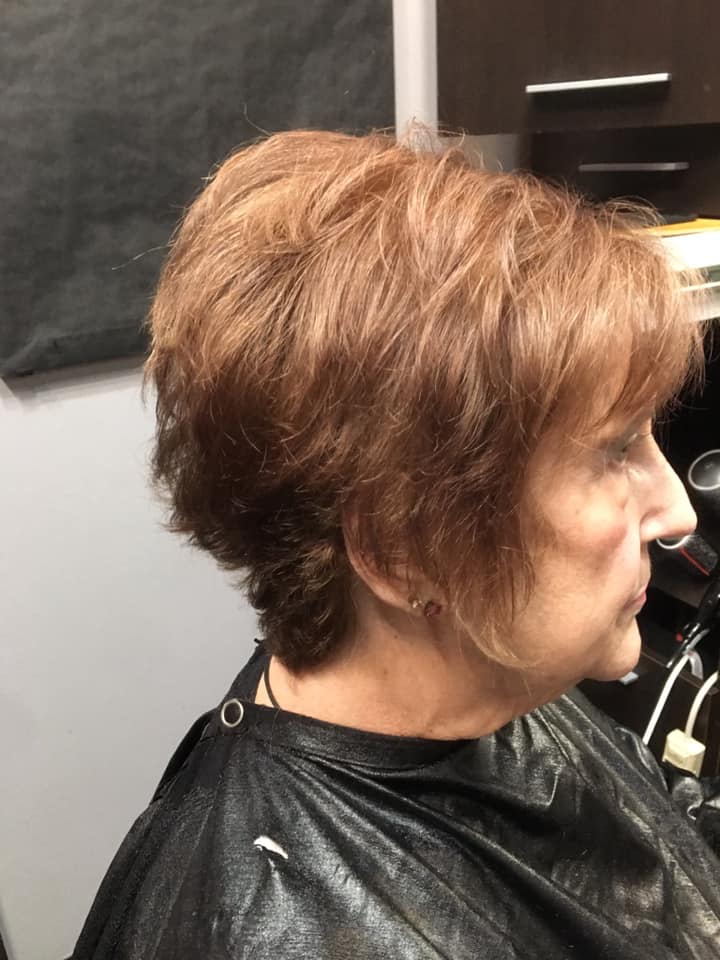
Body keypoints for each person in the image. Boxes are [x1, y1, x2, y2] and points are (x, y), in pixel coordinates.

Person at [73, 130, 720, 959]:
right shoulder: (280, 929)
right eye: (616, 450)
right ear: (408, 547)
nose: (678, 512)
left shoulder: (489, 671)